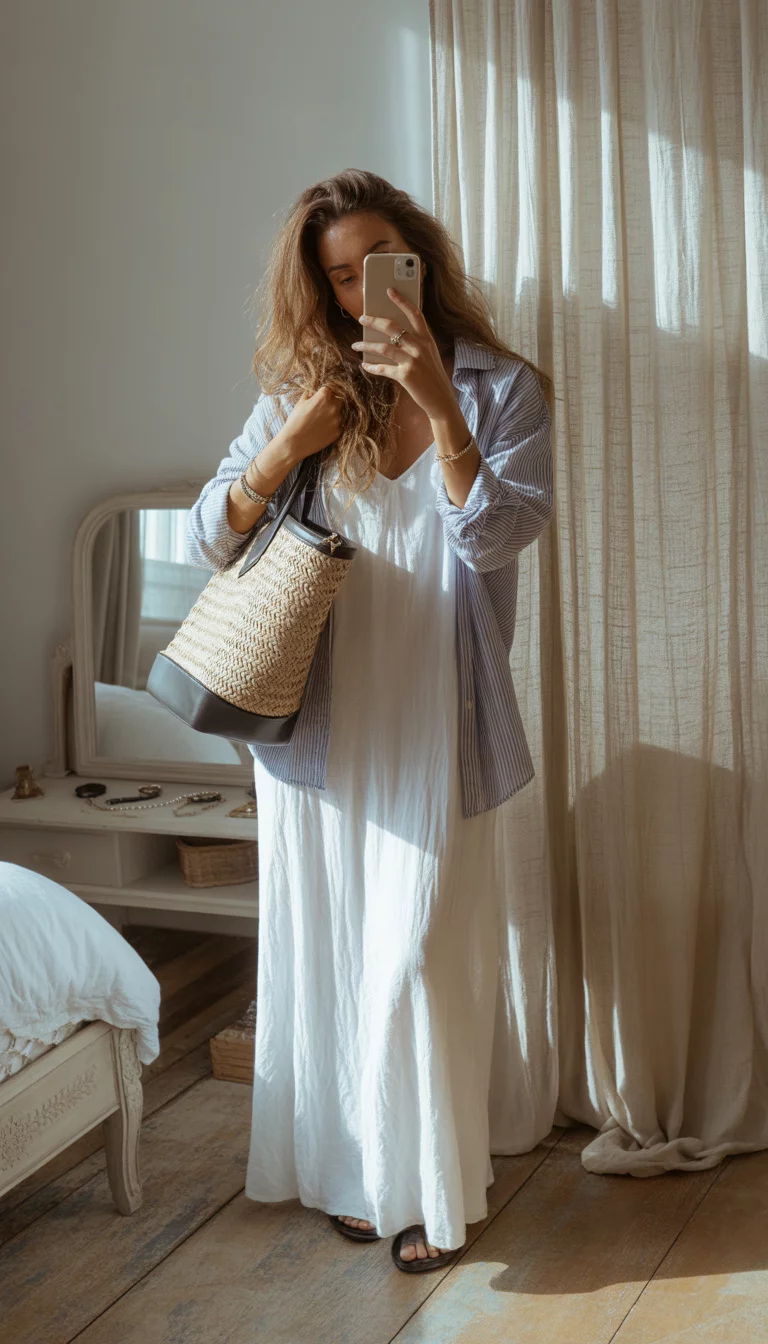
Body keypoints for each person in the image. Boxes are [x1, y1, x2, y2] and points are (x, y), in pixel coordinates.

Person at [185, 169, 554, 1272]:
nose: (361, 295)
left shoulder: (502, 386)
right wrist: (287, 444)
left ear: (420, 260)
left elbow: (500, 536)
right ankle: (360, 1177)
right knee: (341, 951)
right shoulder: (304, 388)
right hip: (323, 722)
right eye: (340, 278)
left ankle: (434, 1184)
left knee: (421, 954)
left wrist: (442, 406)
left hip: (441, 710)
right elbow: (210, 535)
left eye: (379, 267)